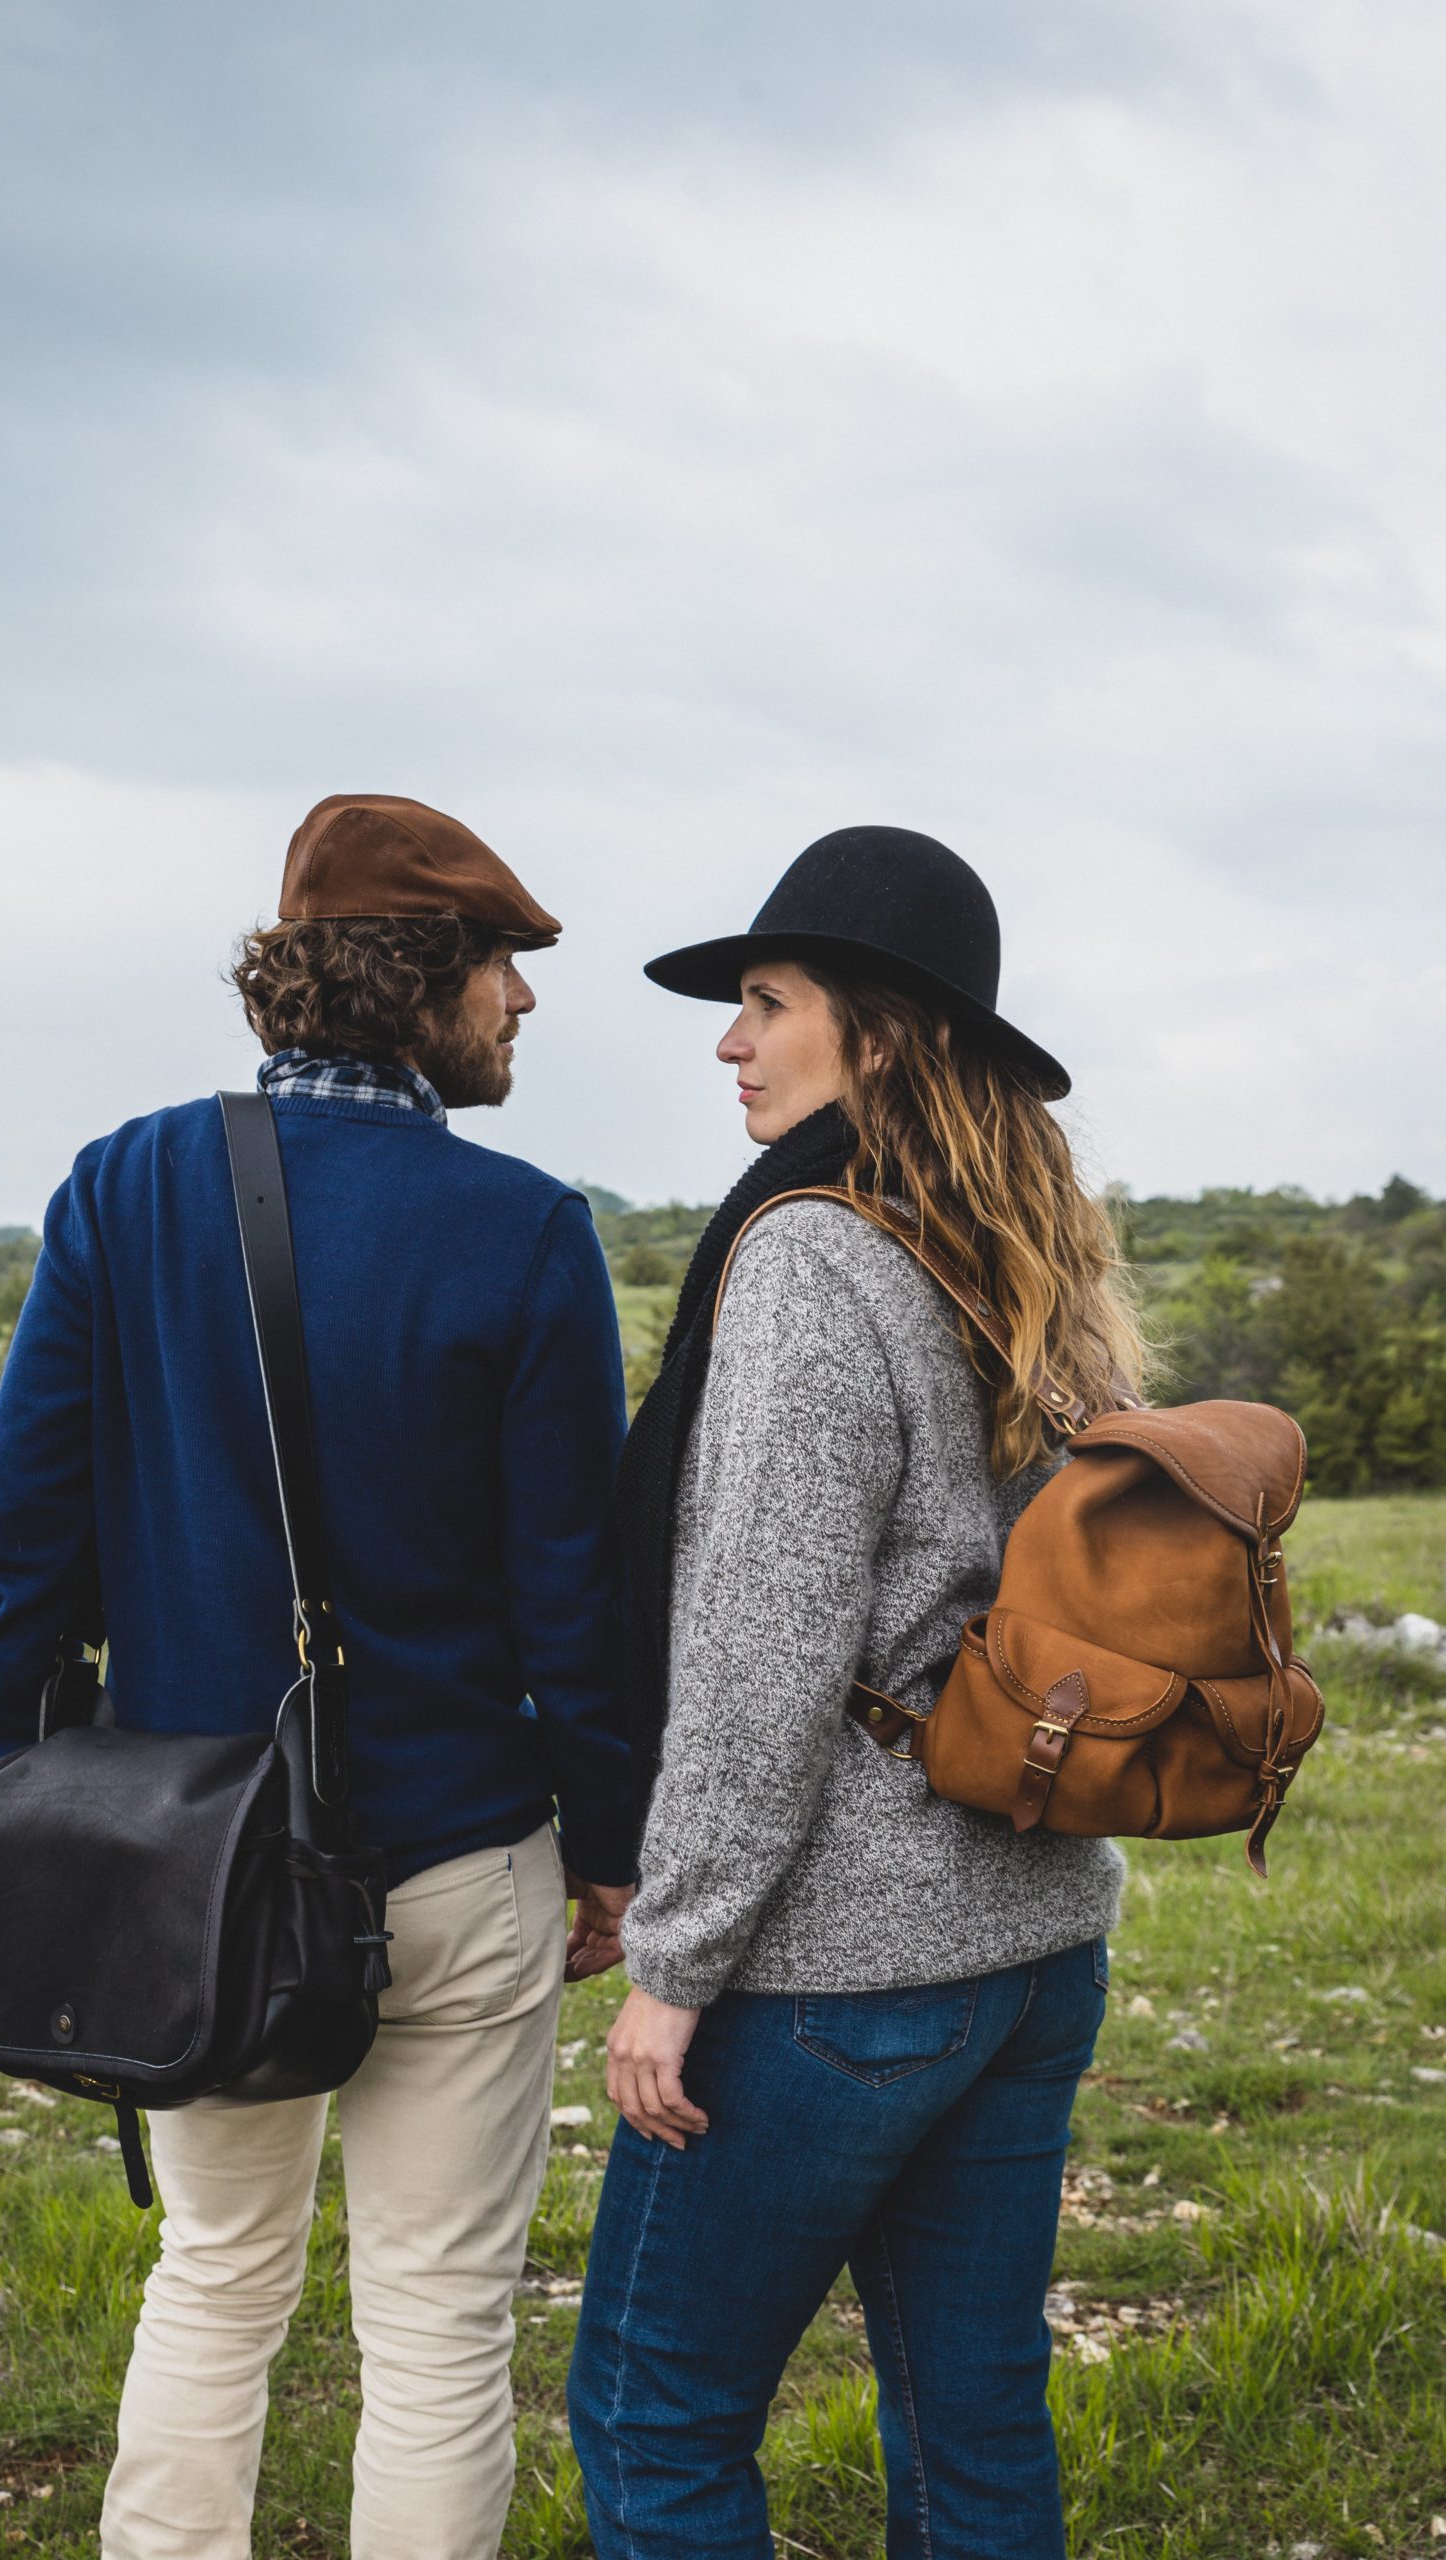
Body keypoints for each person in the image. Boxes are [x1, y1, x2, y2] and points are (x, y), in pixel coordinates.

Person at [0, 793, 636, 2560]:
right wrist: (611, 1845)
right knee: (432, 2326)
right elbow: (572, 1597)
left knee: (215, 2274)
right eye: (505, 964)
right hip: (460, 1854)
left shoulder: (125, 1185)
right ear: (420, 978)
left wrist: (56, 1786)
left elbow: (17, 1551)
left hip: (195, 1860)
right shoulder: (523, 1230)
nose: (525, 1003)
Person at [567, 826, 1146, 2560]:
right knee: (971, 2417)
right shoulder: (1016, 1254)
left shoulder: (816, 1257)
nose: (729, 1042)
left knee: (651, 2417)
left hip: (840, 1970)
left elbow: (761, 1651)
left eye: (764, 1001)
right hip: (1035, 1940)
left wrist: (672, 1971)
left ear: (874, 1034)